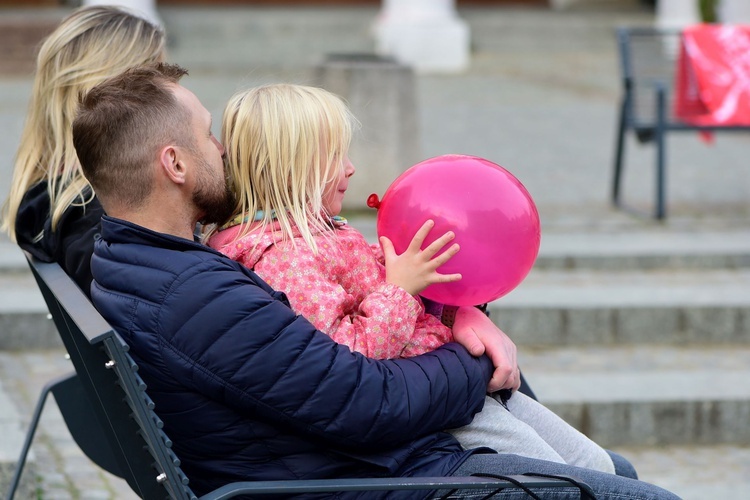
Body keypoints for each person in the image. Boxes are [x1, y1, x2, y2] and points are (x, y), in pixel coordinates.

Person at [71, 62, 679, 499]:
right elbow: (363, 396)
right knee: (617, 488)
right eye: (208, 135)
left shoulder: (167, 266)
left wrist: (461, 312)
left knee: (609, 470)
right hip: (383, 469)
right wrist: (470, 357)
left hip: (375, 455)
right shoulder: (207, 288)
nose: (225, 151)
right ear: (173, 164)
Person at [206, 83, 614, 473]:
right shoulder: (284, 259)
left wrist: (456, 310)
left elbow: (391, 299)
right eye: (335, 156)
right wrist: (401, 288)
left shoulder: (321, 231)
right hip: (434, 407)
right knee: (566, 482)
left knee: (595, 465)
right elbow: (348, 357)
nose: (351, 168)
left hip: (453, 382)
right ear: (289, 169)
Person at [0, 5, 165, 295]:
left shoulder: (59, 202)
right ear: (113, 99)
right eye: (159, 80)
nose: (171, 94)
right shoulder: (100, 219)